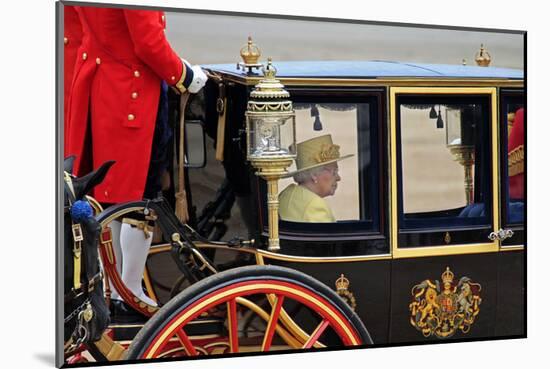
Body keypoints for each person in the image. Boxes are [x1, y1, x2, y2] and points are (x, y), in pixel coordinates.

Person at [65, 6, 207, 309]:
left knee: (109, 195)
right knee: (140, 198)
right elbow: (148, 42)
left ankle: (113, 290)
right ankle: (128, 290)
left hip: (100, 85)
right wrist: (186, 75)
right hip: (132, 91)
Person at [279, 134, 353, 222]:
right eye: (334, 172)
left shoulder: (286, 194)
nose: (338, 178)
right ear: (314, 175)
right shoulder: (315, 205)